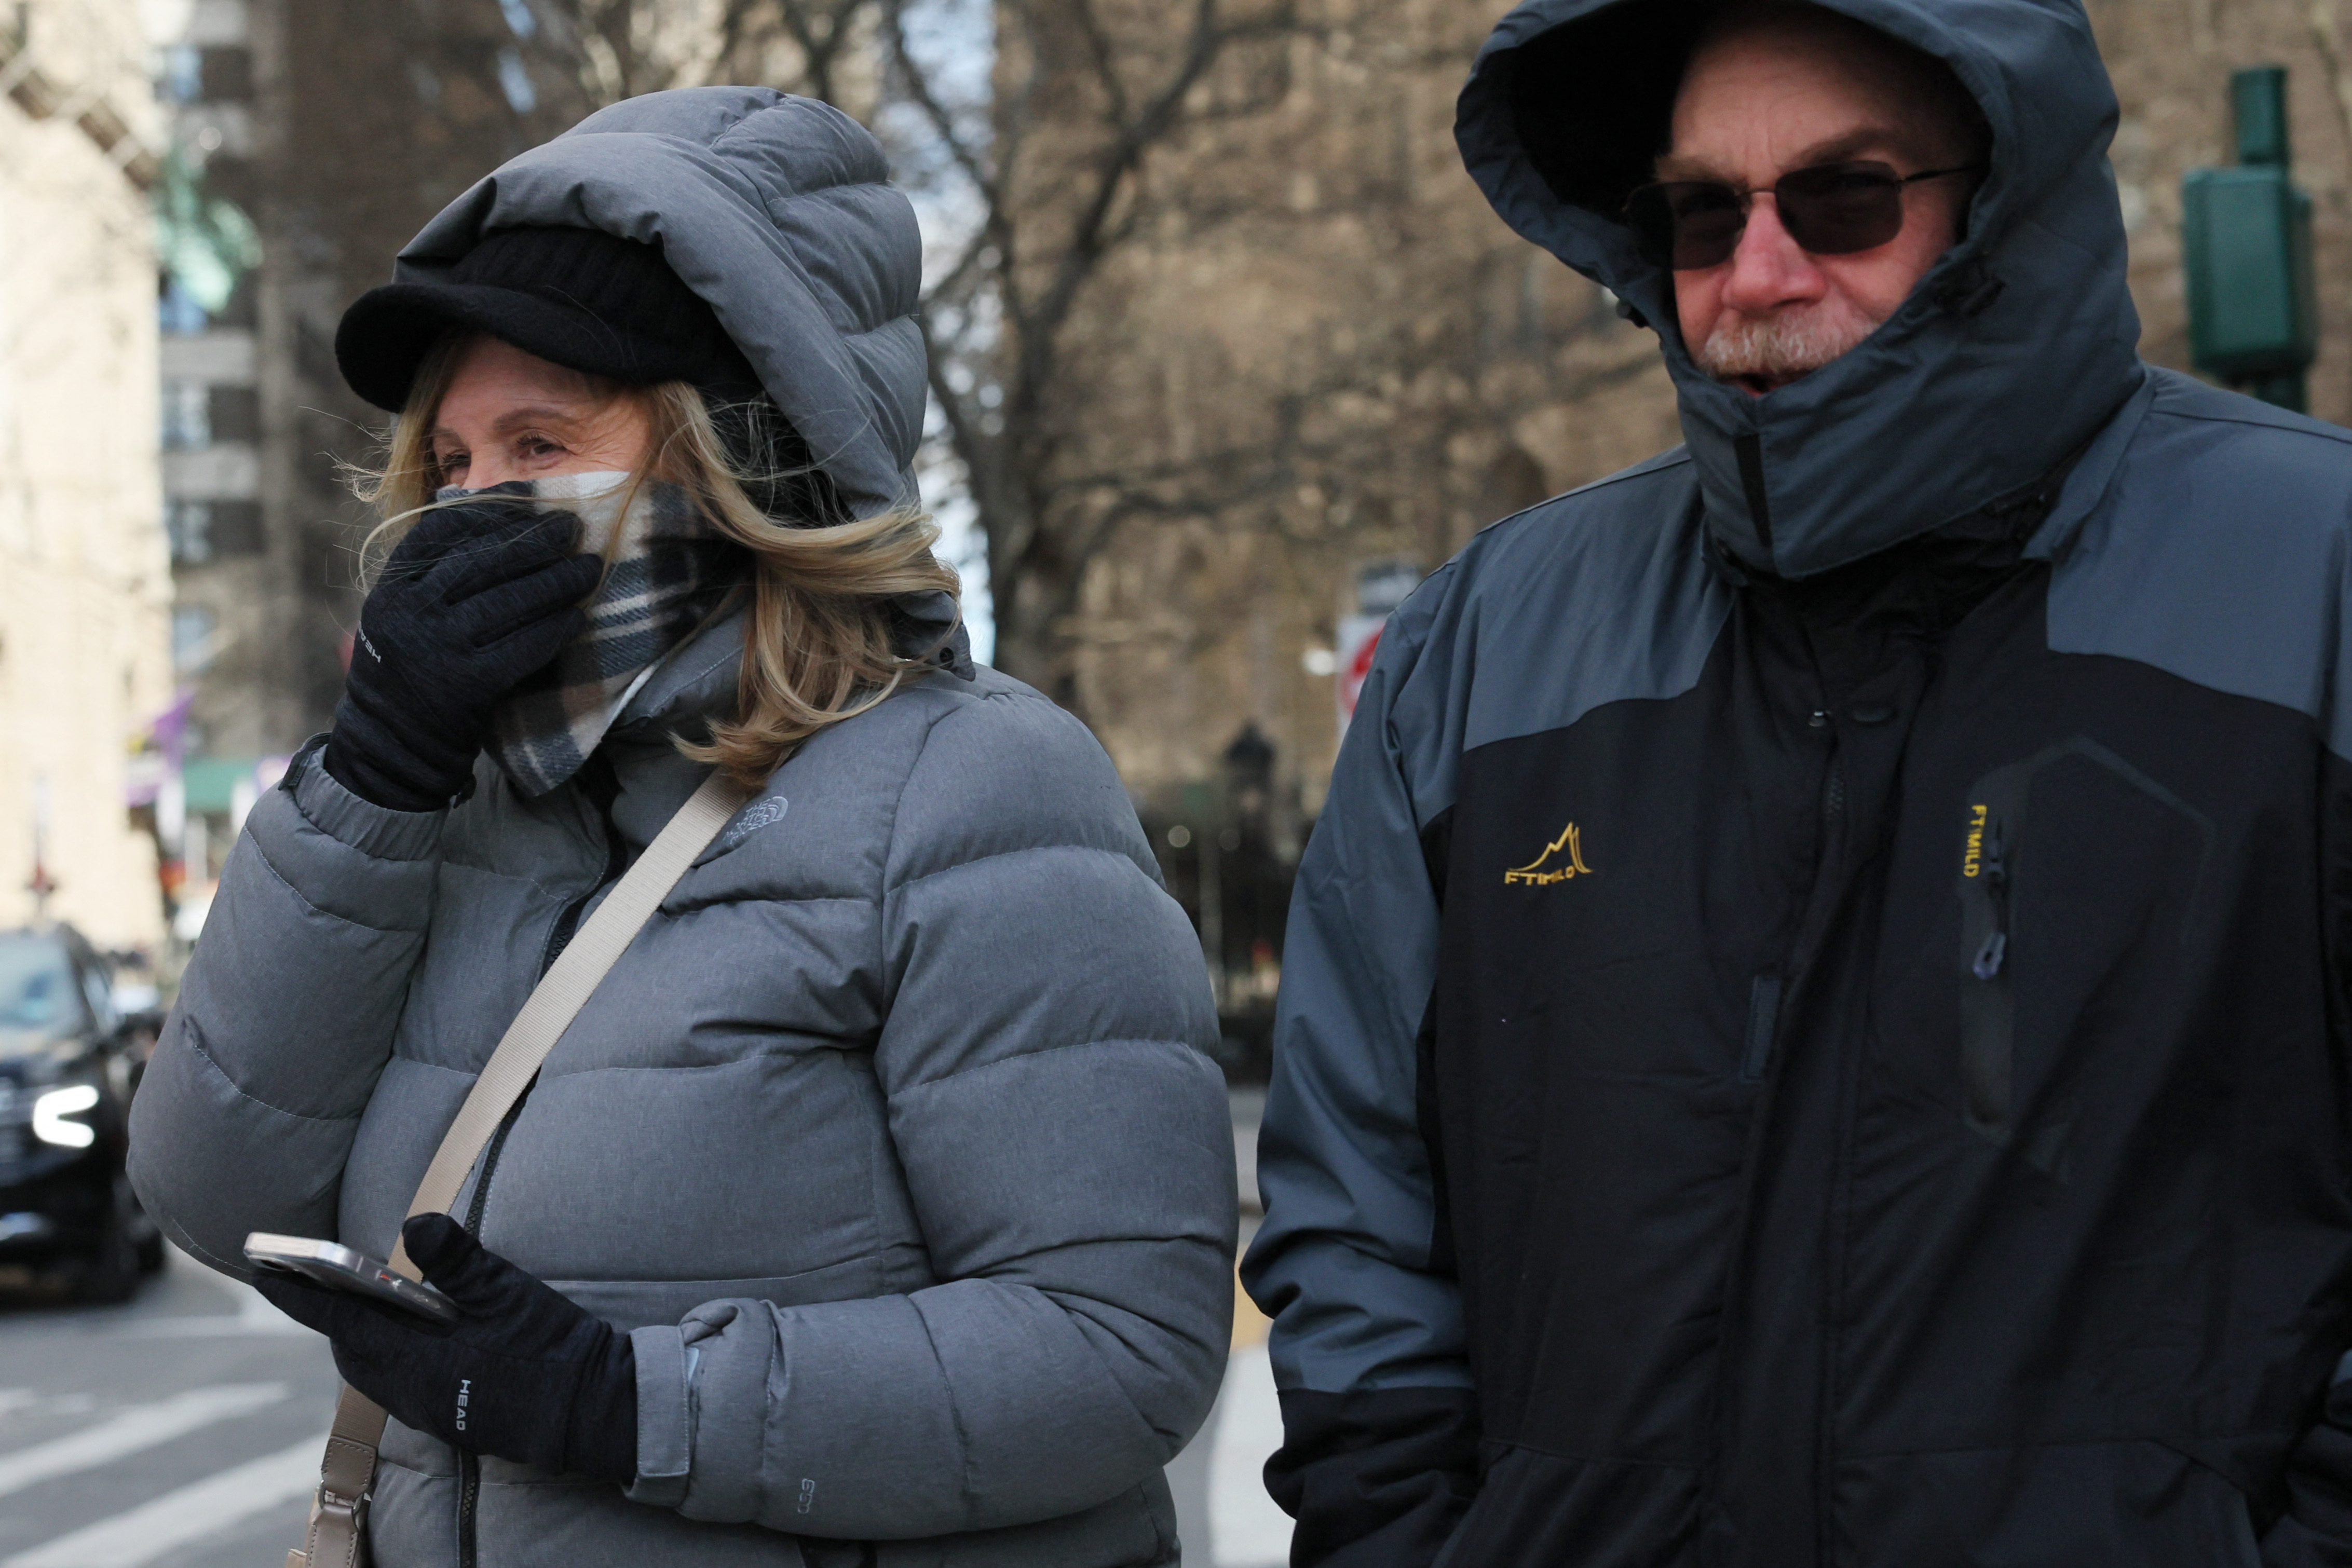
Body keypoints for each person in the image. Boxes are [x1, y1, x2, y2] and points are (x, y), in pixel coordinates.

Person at [1243, 0, 2352, 1561]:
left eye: (1844, 197)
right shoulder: (1488, 639)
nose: (1758, 275)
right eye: (1702, 211)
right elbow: (1358, 1215)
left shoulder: (2314, 578)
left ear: (1999, 209)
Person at [129, 88, 1236, 1568]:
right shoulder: (456, 815)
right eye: (453, 467)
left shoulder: (973, 789)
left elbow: (1117, 1347)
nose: (475, 511)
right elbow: (217, 1192)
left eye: (539, 443)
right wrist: (372, 782)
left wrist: (626, 1404)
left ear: (738, 462)